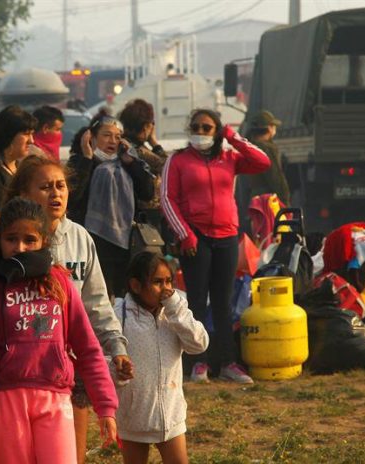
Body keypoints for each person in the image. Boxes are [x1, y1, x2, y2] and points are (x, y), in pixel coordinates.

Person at [0, 197, 118, 464]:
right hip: (5, 397)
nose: (20, 247)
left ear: (44, 240)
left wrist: (106, 407)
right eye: (11, 239)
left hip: (55, 395)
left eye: (29, 239)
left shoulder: (61, 284)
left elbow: (88, 348)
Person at [5, 155, 134, 463]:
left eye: (60, 186)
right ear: (24, 194)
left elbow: (96, 304)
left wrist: (116, 347)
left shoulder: (79, 237)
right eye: (46, 187)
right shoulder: (6, 239)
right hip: (15, 376)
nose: (56, 194)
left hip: (68, 369)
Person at [161, 109, 271, 384]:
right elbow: (167, 198)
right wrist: (184, 233)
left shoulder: (229, 158)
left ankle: (227, 363)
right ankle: (198, 362)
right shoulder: (178, 160)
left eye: (207, 127)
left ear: (217, 131)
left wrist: (233, 137)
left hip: (226, 237)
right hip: (195, 238)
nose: (200, 131)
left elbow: (262, 161)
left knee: (224, 303)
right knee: (197, 301)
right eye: (196, 126)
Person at [115, 252, 208, 464]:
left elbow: (199, 344)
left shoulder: (175, 309)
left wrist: (176, 309)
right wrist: (117, 371)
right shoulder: (120, 314)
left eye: (169, 281)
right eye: (157, 282)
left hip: (171, 415)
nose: (166, 288)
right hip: (133, 416)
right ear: (136, 286)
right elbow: (106, 356)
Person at [66, 110, 155, 299]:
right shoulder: (81, 162)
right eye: (106, 135)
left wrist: (131, 163)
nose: (112, 141)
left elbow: (147, 192)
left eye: (117, 137)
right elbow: (73, 196)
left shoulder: (127, 164)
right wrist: (87, 158)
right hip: (91, 241)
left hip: (124, 243)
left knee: (123, 298)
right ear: (91, 137)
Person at [118, 99, 168, 228]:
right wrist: (155, 143)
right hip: (147, 215)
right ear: (146, 126)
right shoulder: (138, 151)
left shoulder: (122, 145)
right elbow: (167, 168)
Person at [244, 110, 290, 205]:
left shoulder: (250, 148)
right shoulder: (267, 149)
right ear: (269, 128)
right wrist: (285, 201)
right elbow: (276, 178)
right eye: (274, 126)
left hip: (255, 199)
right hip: (269, 200)